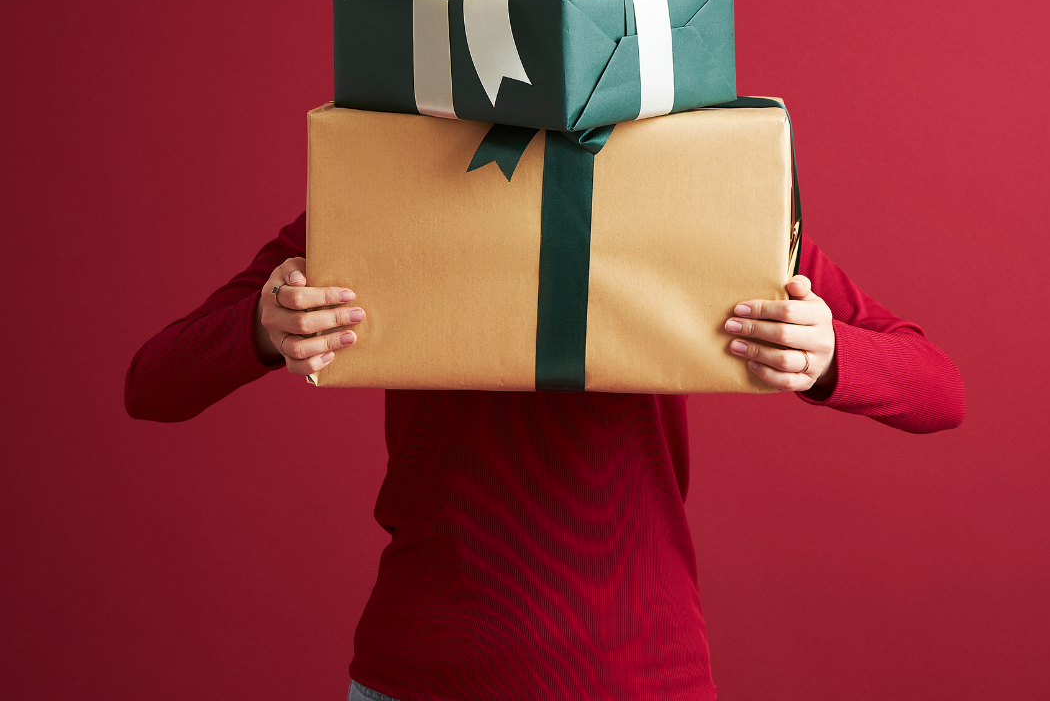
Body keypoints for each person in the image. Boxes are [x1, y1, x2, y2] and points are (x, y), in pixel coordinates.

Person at [126, 211, 964, 701]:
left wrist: (829, 355)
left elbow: (939, 388)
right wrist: (263, 330)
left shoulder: (697, 194)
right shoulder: (382, 189)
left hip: (638, 676)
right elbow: (153, 383)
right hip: (420, 675)